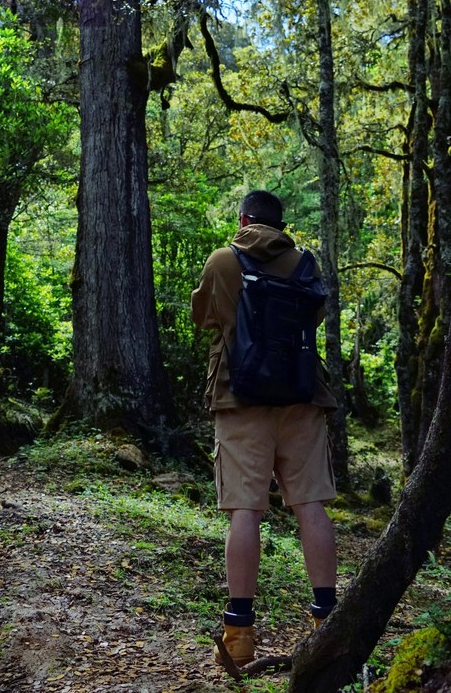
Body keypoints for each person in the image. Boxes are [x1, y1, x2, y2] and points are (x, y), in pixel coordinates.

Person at [191, 189, 337, 667]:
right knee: (310, 504)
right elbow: (312, 319)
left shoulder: (223, 260)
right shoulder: (305, 264)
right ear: (281, 223)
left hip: (241, 399)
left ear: (243, 219)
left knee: (245, 512)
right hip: (301, 398)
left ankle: (239, 634)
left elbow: (204, 317)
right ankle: (327, 622)